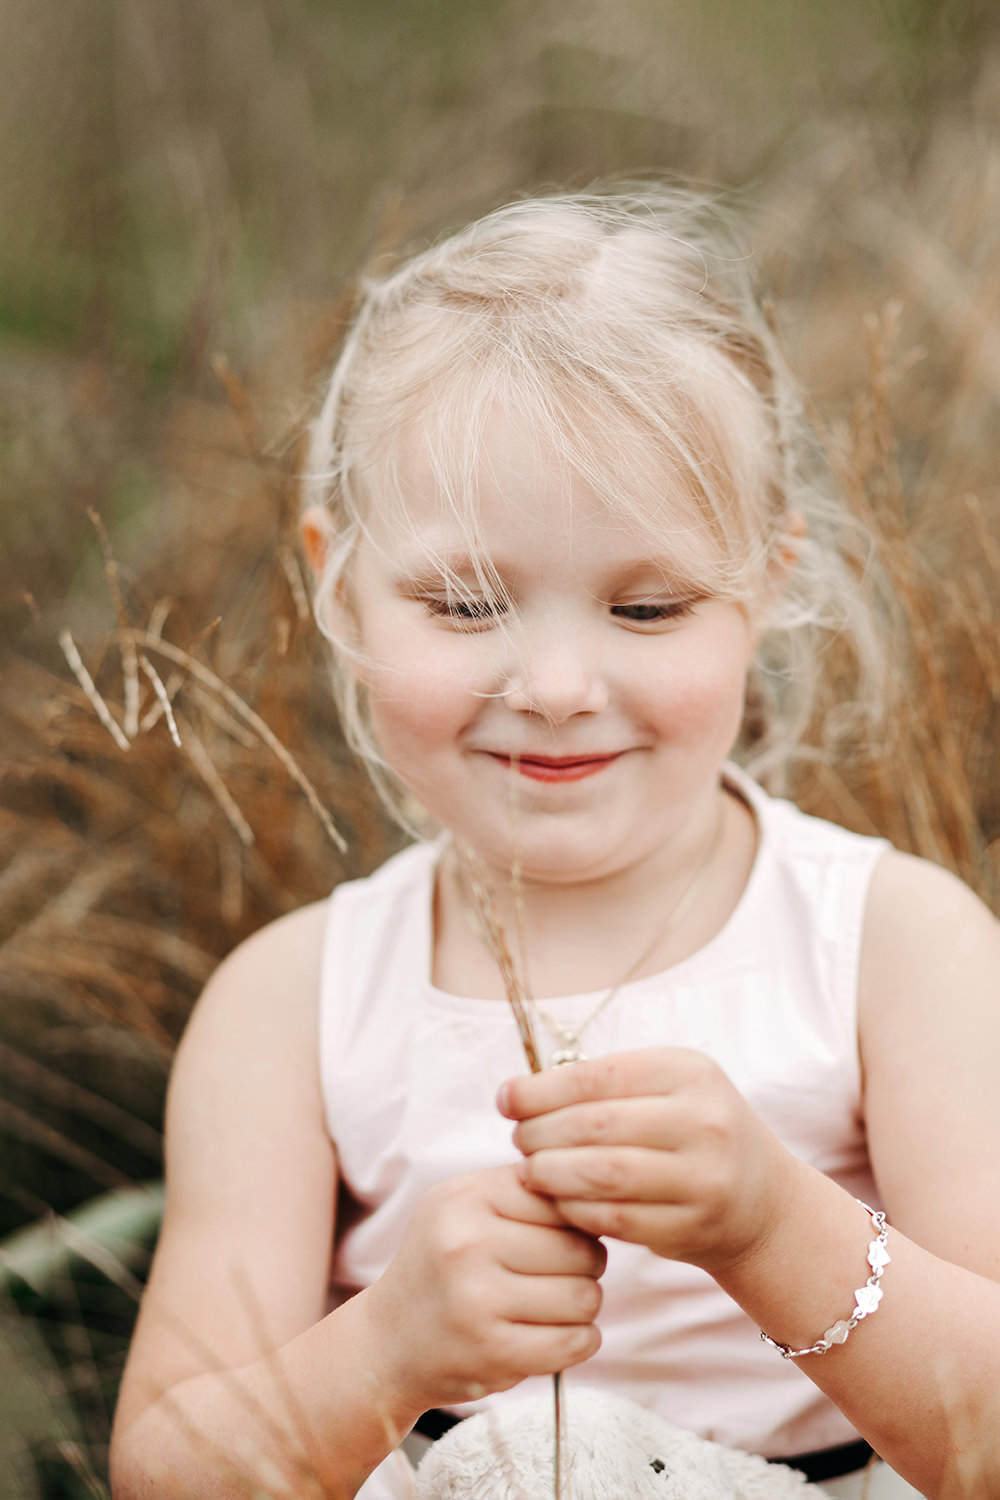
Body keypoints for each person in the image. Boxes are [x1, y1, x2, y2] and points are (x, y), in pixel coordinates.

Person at [109, 189, 1000, 1500]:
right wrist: (390, 1346)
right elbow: (165, 1472)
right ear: (337, 585)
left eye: (647, 606)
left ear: (763, 583)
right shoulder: (292, 1003)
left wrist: (780, 1228)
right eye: (465, 603)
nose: (561, 683)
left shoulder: (891, 946)